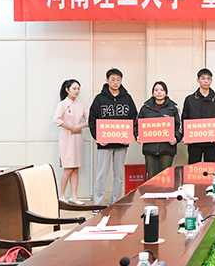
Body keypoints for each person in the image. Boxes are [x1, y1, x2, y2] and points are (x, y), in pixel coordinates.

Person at [88, 68, 138, 207]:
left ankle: (116, 202)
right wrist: (98, 137)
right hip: (104, 144)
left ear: (121, 81)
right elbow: (92, 119)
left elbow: (134, 118)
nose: (116, 82)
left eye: (118, 79)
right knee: (101, 175)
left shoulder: (127, 98)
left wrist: (129, 136)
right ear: (107, 80)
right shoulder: (99, 99)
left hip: (121, 144)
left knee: (119, 175)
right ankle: (98, 204)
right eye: (113, 79)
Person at [137, 81, 183, 180]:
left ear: (166, 92)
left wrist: (176, 137)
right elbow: (137, 125)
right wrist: (138, 135)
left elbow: (179, 126)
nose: (159, 92)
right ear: (153, 92)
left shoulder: (173, 108)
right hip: (150, 149)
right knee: (151, 178)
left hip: (167, 148)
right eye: (156, 90)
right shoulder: (145, 108)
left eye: (162, 90)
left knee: (166, 178)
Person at [53, 79, 89, 204]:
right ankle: (62, 195)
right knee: (68, 168)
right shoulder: (62, 104)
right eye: (74, 88)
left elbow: (89, 120)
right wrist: (71, 127)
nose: (77, 91)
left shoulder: (80, 105)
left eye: (78, 89)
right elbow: (56, 120)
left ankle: (74, 196)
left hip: (77, 137)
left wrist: (79, 127)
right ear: (67, 90)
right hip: (67, 137)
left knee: (76, 168)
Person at [182, 68, 215, 164]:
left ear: (211, 80)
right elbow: (184, 118)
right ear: (198, 80)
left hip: (211, 141)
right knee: (193, 168)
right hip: (194, 142)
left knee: (211, 168)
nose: (206, 81)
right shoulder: (190, 99)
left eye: (208, 78)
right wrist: (186, 135)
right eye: (203, 78)